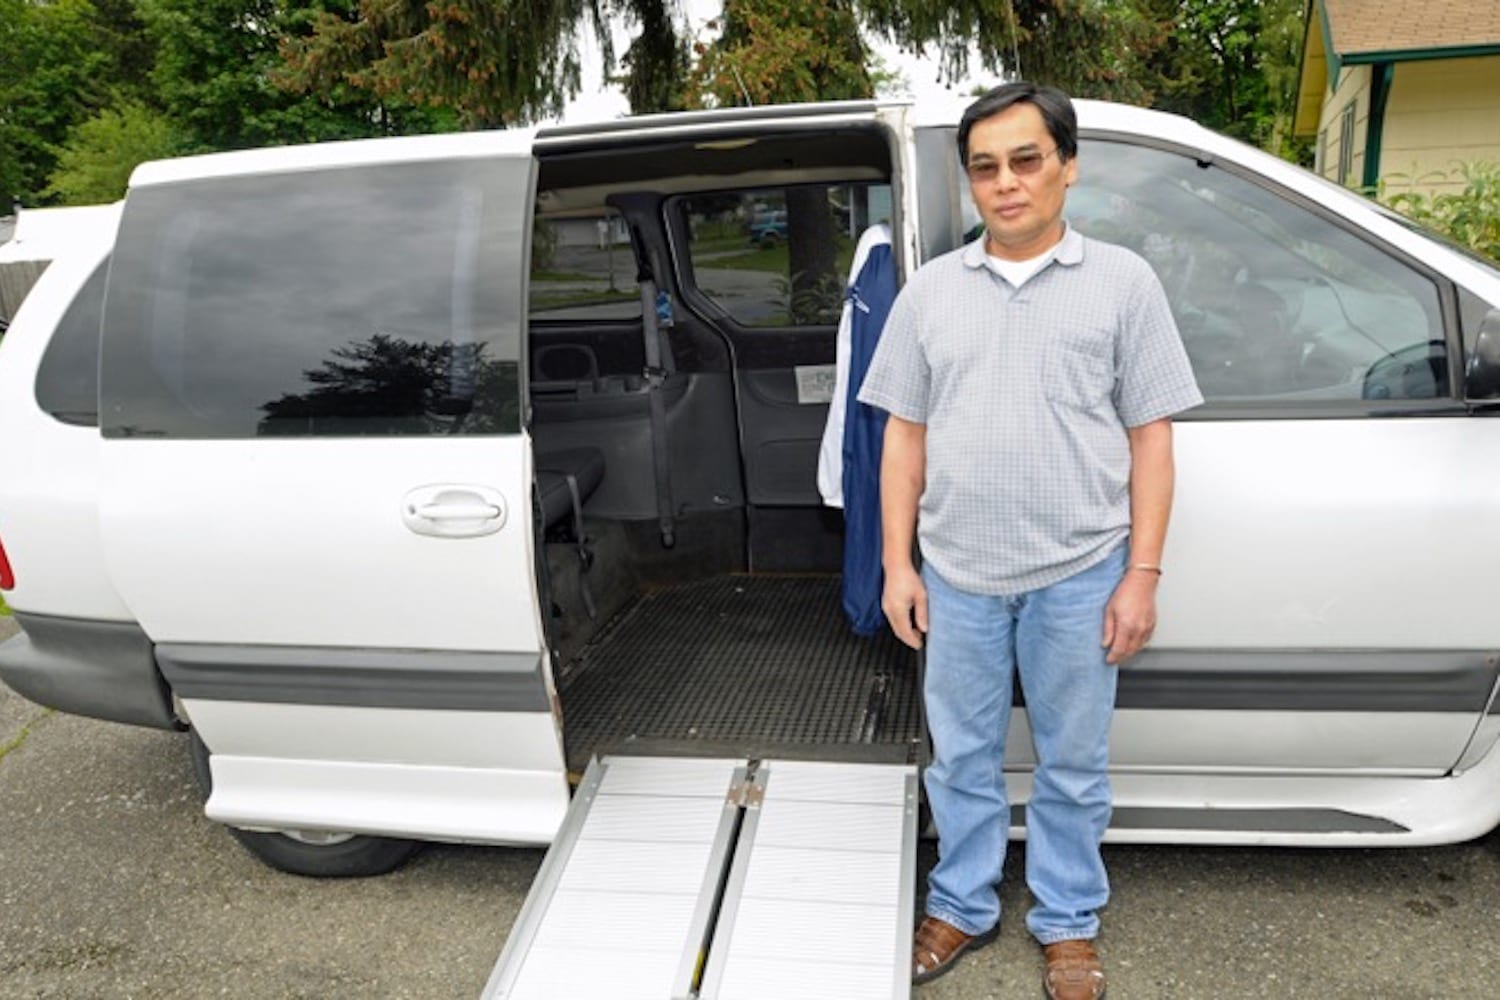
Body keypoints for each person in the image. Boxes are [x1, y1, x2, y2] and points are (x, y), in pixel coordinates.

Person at [857, 82, 1203, 1000]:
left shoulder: (1124, 284)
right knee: (961, 757)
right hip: (960, 576)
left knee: (1073, 763)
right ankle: (962, 903)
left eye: (1025, 160)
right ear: (970, 183)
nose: (1005, 183)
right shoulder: (931, 293)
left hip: (1081, 574)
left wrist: (1142, 574)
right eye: (985, 168)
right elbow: (904, 437)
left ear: (1066, 166)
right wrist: (898, 564)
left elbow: (1152, 436)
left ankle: (1067, 921)